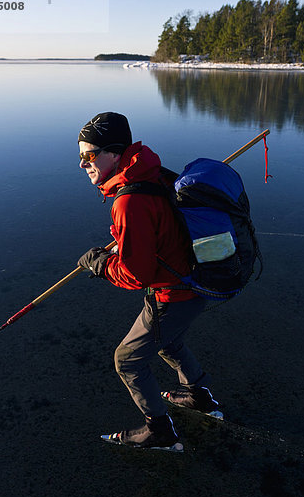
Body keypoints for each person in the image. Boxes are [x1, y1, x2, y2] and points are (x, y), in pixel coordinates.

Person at [77, 112, 223, 452]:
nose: (83, 164)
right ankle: (200, 397)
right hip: (193, 282)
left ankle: (160, 432)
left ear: (114, 153)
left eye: (89, 155)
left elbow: (135, 274)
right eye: (81, 156)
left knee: (127, 359)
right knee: (167, 342)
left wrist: (101, 265)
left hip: (174, 293)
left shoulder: (128, 201)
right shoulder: (150, 171)